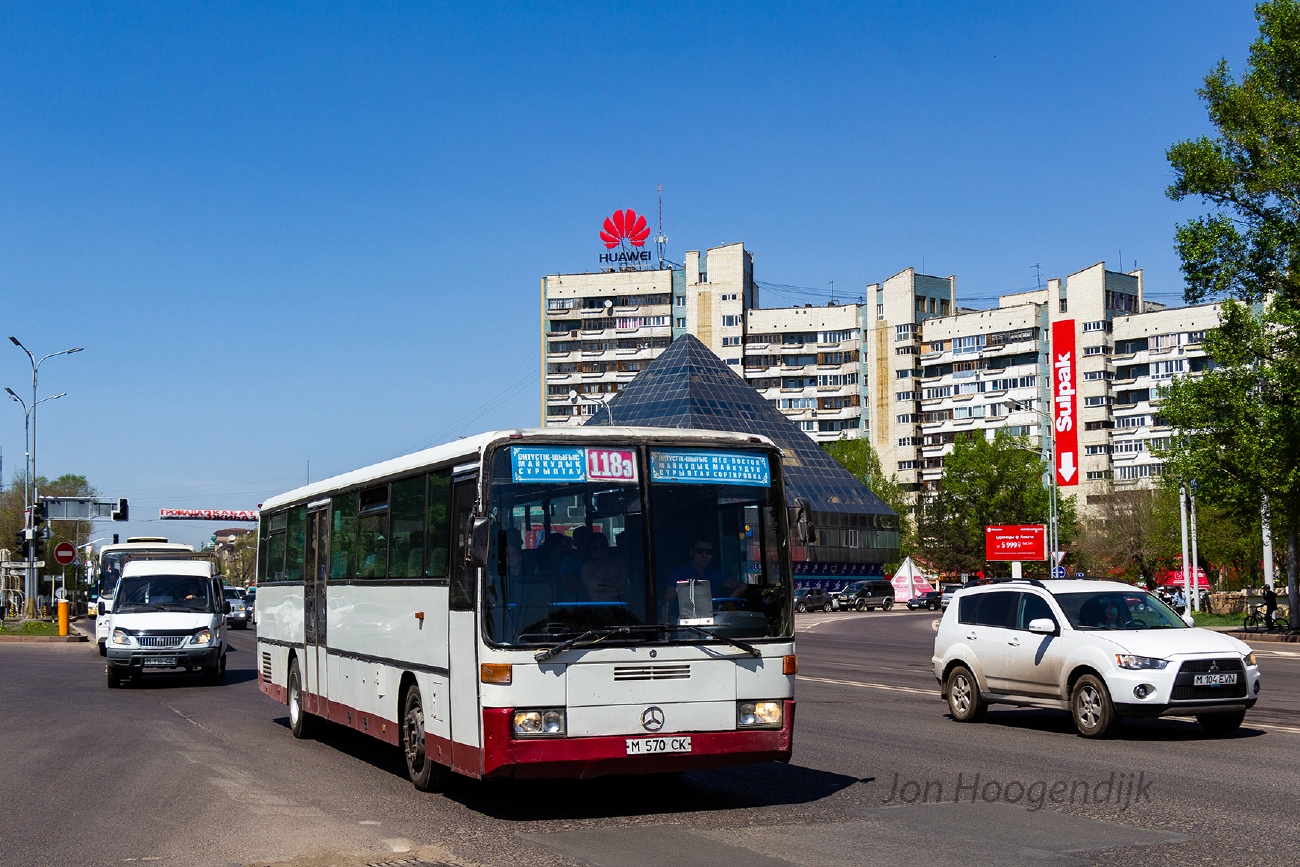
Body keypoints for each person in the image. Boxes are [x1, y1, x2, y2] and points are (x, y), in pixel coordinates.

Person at [579, 531, 626, 602]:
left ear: (607, 547)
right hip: (598, 607)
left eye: (603, 546)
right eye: (595, 548)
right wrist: (617, 579)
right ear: (589, 550)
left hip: (622, 603)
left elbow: (625, 584)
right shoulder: (586, 568)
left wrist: (604, 585)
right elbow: (596, 586)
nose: (599, 550)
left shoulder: (620, 561)